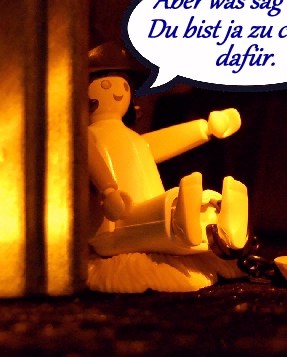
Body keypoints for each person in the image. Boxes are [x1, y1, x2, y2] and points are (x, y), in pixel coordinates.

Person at [86, 41, 248, 292]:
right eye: (107, 85)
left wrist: (206, 128)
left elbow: (163, 141)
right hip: (114, 222)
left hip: (145, 211)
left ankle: (220, 222)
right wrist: (108, 191)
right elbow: (91, 160)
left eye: (124, 85)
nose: (118, 91)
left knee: (195, 207)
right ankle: (183, 221)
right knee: (168, 212)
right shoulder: (88, 137)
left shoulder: (134, 139)